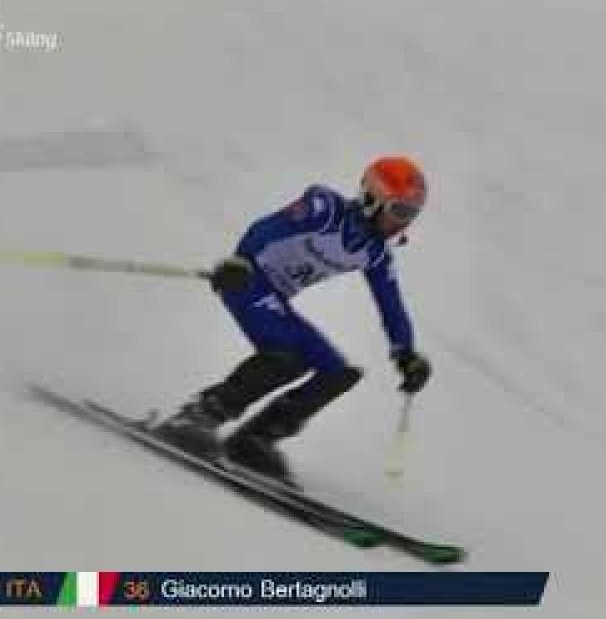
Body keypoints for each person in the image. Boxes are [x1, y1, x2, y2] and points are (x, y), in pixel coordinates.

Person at [158, 155, 433, 482]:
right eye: (399, 211)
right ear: (372, 199)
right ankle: (197, 417)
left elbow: (391, 305)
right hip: (247, 281)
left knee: (338, 372)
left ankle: (256, 439)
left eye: (411, 216)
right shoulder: (324, 209)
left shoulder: (375, 253)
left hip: (276, 299)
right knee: (289, 357)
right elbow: (269, 228)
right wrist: (240, 259)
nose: (402, 224)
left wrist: (405, 353)